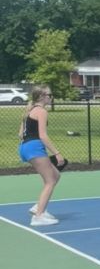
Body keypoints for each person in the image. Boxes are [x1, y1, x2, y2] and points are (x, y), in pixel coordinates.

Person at [18, 87, 64, 227]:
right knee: (50, 181)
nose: (51, 97)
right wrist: (57, 153)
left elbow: (20, 134)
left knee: (55, 175)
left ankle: (38, 207)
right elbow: (43, 135)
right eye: (49, 95)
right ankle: (38, 217)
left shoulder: (30, 111)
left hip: (25, 147)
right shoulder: (42, 111)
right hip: (34, 147)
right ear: (42, 97)